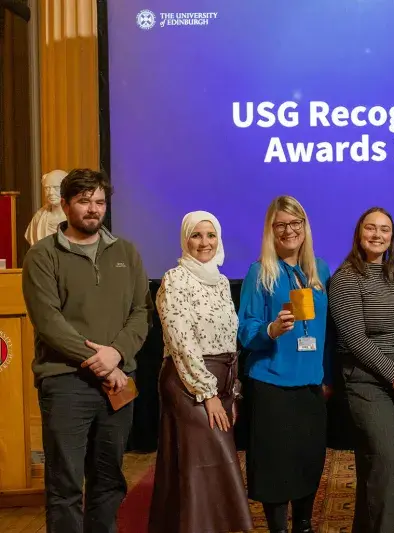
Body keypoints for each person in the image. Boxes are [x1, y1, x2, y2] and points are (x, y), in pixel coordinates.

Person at [21, 168, 151, 533]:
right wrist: (103, 362)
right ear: (64, 205)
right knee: (64, 485)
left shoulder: (126, 252)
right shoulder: (43, 256)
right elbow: (49, 322)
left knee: (109, 481)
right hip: (65, 384)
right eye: (83, 201)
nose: (93, 209)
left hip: (120, 381)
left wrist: (117, 356)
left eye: (99, 202)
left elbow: (141, 312)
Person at [149, 211, 253, 533]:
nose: (204, 242)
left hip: (219, 384)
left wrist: (230, 392)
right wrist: (207, 393)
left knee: (203, 467)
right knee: (209, 462)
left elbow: (227, 339)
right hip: (188, 383)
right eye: (196, 235)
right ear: (185, 239)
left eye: (211, 235)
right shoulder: (175, 279)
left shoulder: (221, 281)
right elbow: (182, 342)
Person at [328, 207, 394, 533]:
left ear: (392, 238)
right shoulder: (345, 278)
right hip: (366, 381)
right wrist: (392, 372)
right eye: (371, 228)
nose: (377, 235)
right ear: (359, 234)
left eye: (385, 230)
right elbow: (354, 338)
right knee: (383, 459)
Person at [238, 196, 332, 533]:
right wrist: (271, 330)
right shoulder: (259, 272)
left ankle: (303, 526)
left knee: (308, 463)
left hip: (310, 384)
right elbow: (245, 329)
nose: (289, 230)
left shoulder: (319, 270)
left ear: (305, 228)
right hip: (271, 383)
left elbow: (328, 331)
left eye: (296, 223)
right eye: (281, 225)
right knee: (275, 469)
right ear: (271, 230)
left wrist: (327, 377)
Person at [25, 169, 68, 245]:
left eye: (56, 188)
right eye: (47, 188)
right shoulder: (39, 217)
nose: (51, 193)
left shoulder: (76, 217)